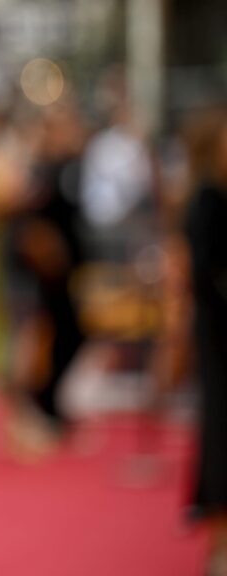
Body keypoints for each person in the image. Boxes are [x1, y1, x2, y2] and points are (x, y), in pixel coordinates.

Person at [184, 108, 227, 576]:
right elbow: (203, 274)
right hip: (216, 337)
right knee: (218, 437)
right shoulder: (206, 201)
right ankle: (219, 543)